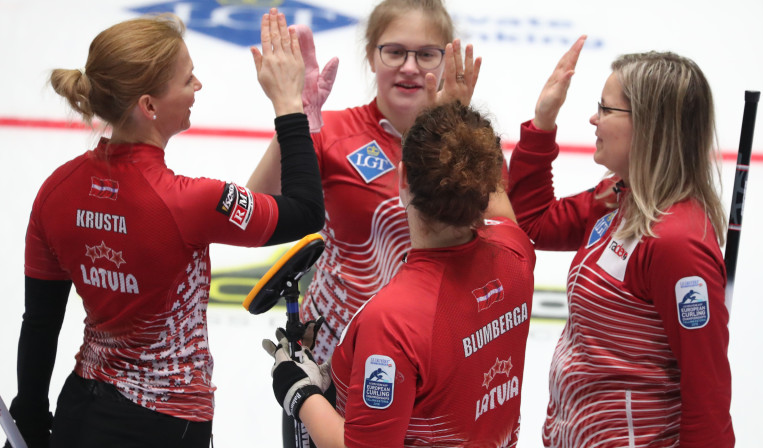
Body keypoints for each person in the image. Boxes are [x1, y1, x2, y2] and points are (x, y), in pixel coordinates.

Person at [5, 9, 323, 448]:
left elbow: (40, 322)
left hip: (80, 412)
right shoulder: (185, 201)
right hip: (165, 423)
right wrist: (289, 107)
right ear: (149, 106)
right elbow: (307, 211)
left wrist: (31, 421)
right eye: (188, 79)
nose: (198, 87)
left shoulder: (56, 191)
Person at [247, 1, 480, 445]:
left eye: (426, 54)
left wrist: (455, 130)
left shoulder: (466, 146)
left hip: (428, 363)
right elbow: (257, 213)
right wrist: (295, 119)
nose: (410, 68)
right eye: (395, 52)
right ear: (372, 55)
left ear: (446, 59)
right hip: (332, 363)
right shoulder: (333, 130)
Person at [264, 101, 536, 448]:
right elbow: (498, 208)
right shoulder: (516, 252)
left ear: (403, 177)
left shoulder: (392, 322)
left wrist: (299, 392)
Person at [507, 36, 735, 446]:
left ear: (650, 124)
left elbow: (708, 394)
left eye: (605, 109)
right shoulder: (619, 195)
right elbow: (533, 222)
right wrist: (543, 122)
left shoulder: (677, 244)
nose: (594, 120)